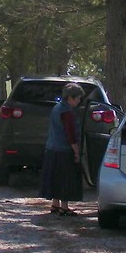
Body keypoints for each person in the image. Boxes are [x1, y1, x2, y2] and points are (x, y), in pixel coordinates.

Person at [40, 82, 85, 216]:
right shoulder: (67, 112)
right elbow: (70, 134)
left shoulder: (56, 108)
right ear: (70, 98)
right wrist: (76, 151)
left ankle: (55, 204)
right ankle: (64, 207)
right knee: (65, 179)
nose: (79, 101)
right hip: (64, 150)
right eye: (78, 98)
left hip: (52, 148)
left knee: (55, 177)